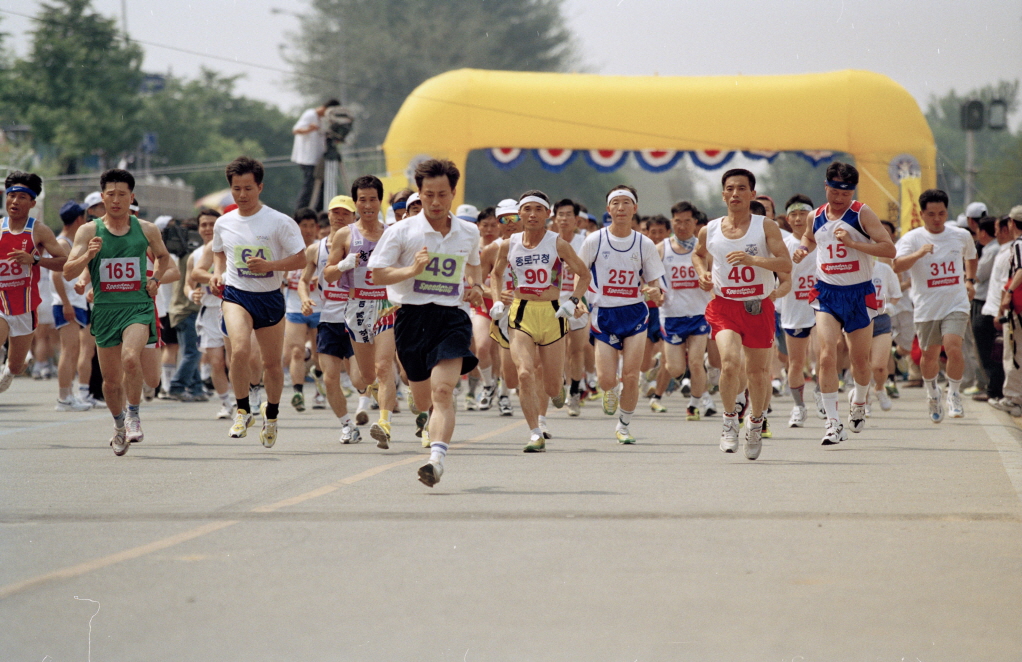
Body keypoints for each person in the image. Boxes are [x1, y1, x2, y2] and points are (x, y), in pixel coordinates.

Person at [366, 159, 484, 487]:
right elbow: (377, 273)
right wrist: (410, 271)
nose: (435, 202)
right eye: (428, 194)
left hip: (451, 317)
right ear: (419, 192)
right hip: (411, 317)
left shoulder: (468, 231)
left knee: (443, 390)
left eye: (442, 195)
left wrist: (476, 287)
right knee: (422, 398)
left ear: (453, 194)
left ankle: (437, 460)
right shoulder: (402, 231)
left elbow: (474, 265)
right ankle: (425, 415)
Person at [62, 169, 174, 455]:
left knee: (130, 358)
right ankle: (119, 425)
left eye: (122, 195)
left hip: (137, 308)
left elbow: (163, 258)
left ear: (131, 197)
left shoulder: (146, 229)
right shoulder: (89, 231)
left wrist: (156, 279)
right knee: (110, 381)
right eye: (110, 195)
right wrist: (88, 255)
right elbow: (68, 270)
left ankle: (134, 414)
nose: (115, 200)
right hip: (105, 310)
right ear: (102, 197)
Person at [792, 162, 895, 444]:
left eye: (846, 193)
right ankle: (833, 423)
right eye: (835, 191)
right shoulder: (816, 215)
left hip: (859, 293)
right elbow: (808, 237)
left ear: (853, 191)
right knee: (826, 354)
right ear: (826, 186)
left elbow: (889, 249)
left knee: (859, 360)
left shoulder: (861, 213)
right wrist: (803, 248)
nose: (839, 198)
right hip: (827, 293)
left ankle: (859, 401)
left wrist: (853, 244)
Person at [209, 157, 307, 447]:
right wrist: (217, 273)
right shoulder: (224, 222)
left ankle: (272, 416)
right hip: (236, 294)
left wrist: (271, 266)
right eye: (236, 188)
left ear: (260, 187)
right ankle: (242, 411)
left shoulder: (278, 221)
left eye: (248, 188)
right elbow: (218, 252)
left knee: (272, 364)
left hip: (269, 297)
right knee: (238, 350)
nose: (242, 194)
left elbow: (300, 258)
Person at [693, 169, 791, 460]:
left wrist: (752, 259)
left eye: (741, 189)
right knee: (731, 363)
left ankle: (756, 422)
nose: (735, 194)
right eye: (730, 189)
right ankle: (728, 421)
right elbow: (697, 254)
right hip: (725, 306)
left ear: (751, 194)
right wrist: (703, 274)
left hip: (758, 306)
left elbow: (785, 264)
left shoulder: (766, 227)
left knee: (759, 373)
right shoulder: (709, 229)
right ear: (723, 194)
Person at [489, 190, 590, 451]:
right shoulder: (508, 244)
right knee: (524, 373)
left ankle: (560, 391)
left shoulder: (558, 243)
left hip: (553, 314)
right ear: (519, 214)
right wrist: (498, 299)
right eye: (527, 209)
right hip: (521, 313)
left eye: (538, 209)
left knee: (552, 384)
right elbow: (496, 274)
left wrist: (572, 302)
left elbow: (584, 274)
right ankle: (535, 432)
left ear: (548, 215)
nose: (532, 214)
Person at [578, 185, 665, 445]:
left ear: (634, 209)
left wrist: (653, 291)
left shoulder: (644, 243)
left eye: (626, 203)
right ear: (608, 209)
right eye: (615, 203)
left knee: (631, 374)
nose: (621, 208)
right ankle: (609, 390)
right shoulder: (595, 240)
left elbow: (657, 285)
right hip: (604, 313)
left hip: (635, 314)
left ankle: (624, 425)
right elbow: (580, 274)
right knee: (606, 379)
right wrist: (577, 300)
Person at [323, 176, 400, 448]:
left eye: (373, 199)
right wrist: (344, 264)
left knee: (383, 367)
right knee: (366, 377)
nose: (368, 205)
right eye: (362, 200)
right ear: (356, 203)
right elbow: (328, 275)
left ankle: (385, 423)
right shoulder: (345, 235)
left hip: (385, 305)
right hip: (356, 306)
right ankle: (385, 392)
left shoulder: (392, 233)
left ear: (380, 201)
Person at [893, 188, 977, 422]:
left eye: (941, 213)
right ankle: (932, 393)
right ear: (922, 214)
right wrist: (919, 254)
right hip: (927, 306)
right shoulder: (912, 239)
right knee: (929, 355)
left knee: (952, 347)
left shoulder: (960, 235)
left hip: (955, 302)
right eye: (931, 214)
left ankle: (954, 394)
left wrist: (969, 280)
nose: (937, 219)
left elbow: (971, 256)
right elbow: (897, 266)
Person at [0, 172, 68, 394]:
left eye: (21, 197)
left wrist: (35, 259)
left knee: (16, 365)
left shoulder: (38, 230)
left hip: (25, 307)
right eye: (11, 196)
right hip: (1, 302)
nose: (14, 201)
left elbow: (64, 262)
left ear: (32, 203)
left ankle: (8, 371)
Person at [300, 195, 358, 442]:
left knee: (360, 379)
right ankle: (347, 425)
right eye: (335, 212)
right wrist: (304, 298)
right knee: (330, 378)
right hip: (328, 320)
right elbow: (303, 280)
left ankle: (372, 404)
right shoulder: (316, 249)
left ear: (353, 216)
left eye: (345, 212)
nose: (339, 216)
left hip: (357, 318)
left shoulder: (362, 244)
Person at [654, 201, 714, 419]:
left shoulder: (704, 248)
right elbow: (649, 276)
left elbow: (716, 274)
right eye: (677, 221)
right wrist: (655, 292)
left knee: (697, 362)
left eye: (686, 221)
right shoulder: (662, 249)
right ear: (672, 222)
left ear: (694, 222)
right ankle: (670, 369)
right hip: (672, 315)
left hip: (699, 312)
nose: (682, 226)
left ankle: (694, 404)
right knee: (676, 369)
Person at [777, 195, 819, 428]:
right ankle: (799, 407)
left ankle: (823, 395)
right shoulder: (782, 245)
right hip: (794, 310)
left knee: (825, 355)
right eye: (793, 214)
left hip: (822, 308)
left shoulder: (823, 241)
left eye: (803, 214)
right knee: (796, 362)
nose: (798, 218)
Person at [188, 208, 234, 419]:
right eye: (203, 225)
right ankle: (225, 402)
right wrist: (192, 295)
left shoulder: (232, 245)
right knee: (215, 361)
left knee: (234, 360)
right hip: (210, 310)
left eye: (211, 224)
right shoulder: (196, 255)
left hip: (233, 307)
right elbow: (188, 285)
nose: (207, 228)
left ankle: (244, 398)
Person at [51, 201, 95, 411]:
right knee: (68, 351)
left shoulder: (70, 242)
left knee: (73, 350)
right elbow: (56, 276)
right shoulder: (62, 243)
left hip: (74, 303)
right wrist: (66, 303)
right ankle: (63, 398)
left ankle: (68, 395)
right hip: (65, 303)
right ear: (78, 219)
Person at [551, 198, 590, 416]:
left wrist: (581, 300)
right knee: (559, 349)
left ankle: (575, 391)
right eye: (561, 214)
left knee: (577, 349)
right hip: (553, 303)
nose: (564, 219)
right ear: (554, 218)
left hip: (577, 302)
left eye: (568, 215)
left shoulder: (585, 241)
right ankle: (562, 386)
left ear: (577, 220)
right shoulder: (548, 241)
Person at [283, 207, 322, 412]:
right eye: (303, 225)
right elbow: (277, 277)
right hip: (295, 307)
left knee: (319, 354)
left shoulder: (321, 248)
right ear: (296, 227)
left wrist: (319, 278)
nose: (307, 230)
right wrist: (284, 279)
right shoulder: (288, 250)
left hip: (319, 306)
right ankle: (298, 392)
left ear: (316, 228)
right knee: (297, 351)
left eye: (310, 226)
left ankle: (319, 392)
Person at [971, 215, 1003, 402]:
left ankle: (994, 388)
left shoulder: (992, 250)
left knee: (987, 348)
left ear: (983, 232)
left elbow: (978, 274)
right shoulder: (994, 249)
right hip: (986, 301)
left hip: (984, 302)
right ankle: (994, 386)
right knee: (988, 348)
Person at [291, 99, 339, 210]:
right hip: (307, 158)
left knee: (321, 185)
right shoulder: (310, 114)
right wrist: (309, 129)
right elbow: (296, 130)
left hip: (317, 158)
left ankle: (319, 210)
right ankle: (301, 209)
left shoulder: (321, 119)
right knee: (309, 185)